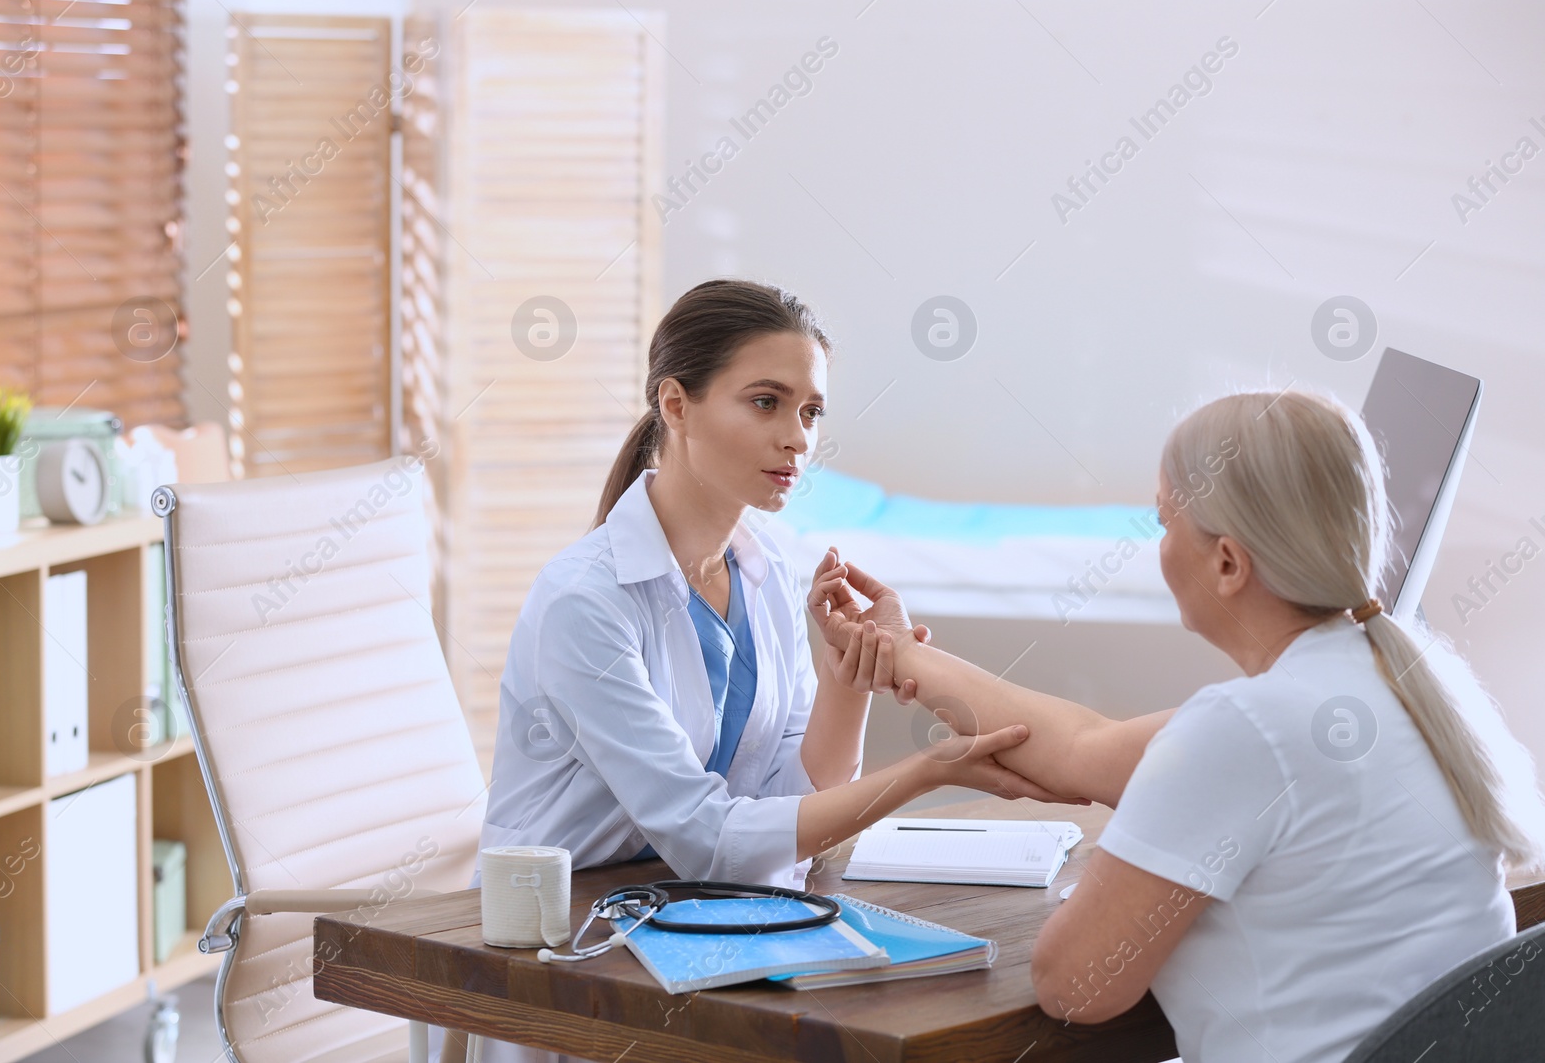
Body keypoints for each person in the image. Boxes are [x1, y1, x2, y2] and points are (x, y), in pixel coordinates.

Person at [819, 389, 1545, 1063]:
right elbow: (1080, 748)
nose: (1158, 545)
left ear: (1228, 560)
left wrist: (1136, 878)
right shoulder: (1407, 680)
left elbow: (1074, 984)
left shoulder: (1246, 729)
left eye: (1165, 522)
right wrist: (903, 655)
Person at [456, 279, 1067, 1063]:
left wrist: (846, 673)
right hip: (575, 964)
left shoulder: (768, 571)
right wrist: (921, 773)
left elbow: (788, 799)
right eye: (766, 403)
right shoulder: (586, 603)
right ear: (675, 406)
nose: (799, 439)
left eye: (810, 411)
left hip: (700, 933)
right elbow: (710, 837)